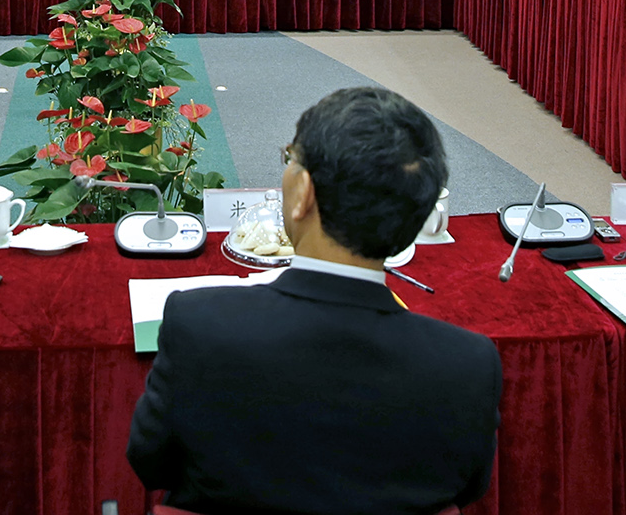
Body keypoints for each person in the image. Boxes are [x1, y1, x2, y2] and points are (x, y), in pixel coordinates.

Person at [127, 86, 501, 515]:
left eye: (290, 158)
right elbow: (468, 486)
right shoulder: (469, 365)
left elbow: (151, 463)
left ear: (304, 192)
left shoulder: (198, 323)